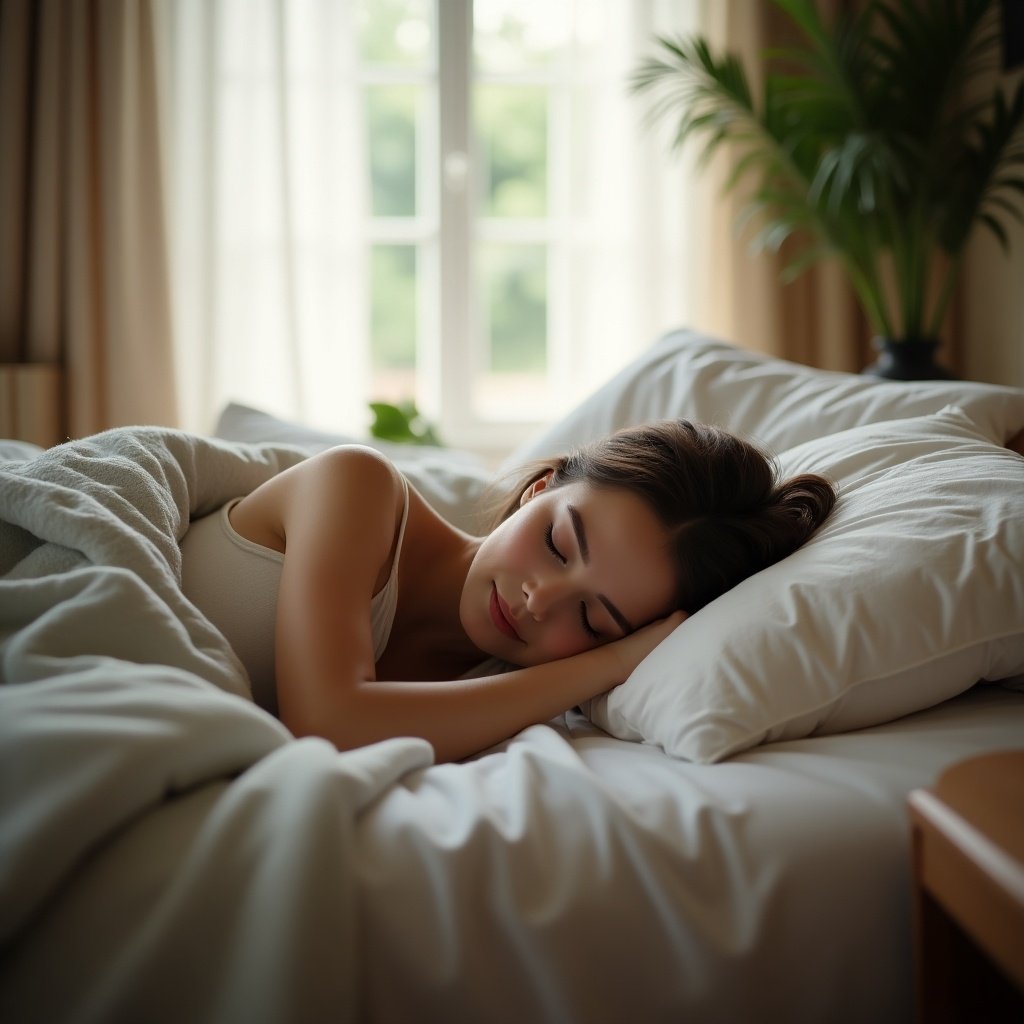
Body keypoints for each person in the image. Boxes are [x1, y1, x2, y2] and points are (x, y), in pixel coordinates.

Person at [181, 419, 836, 762]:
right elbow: (327, 723)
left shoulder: (497, 696)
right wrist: (609, 658)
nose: (537, 601)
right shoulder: (358, 487)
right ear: (539, 490)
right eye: (557, 543)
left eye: (593, 617)